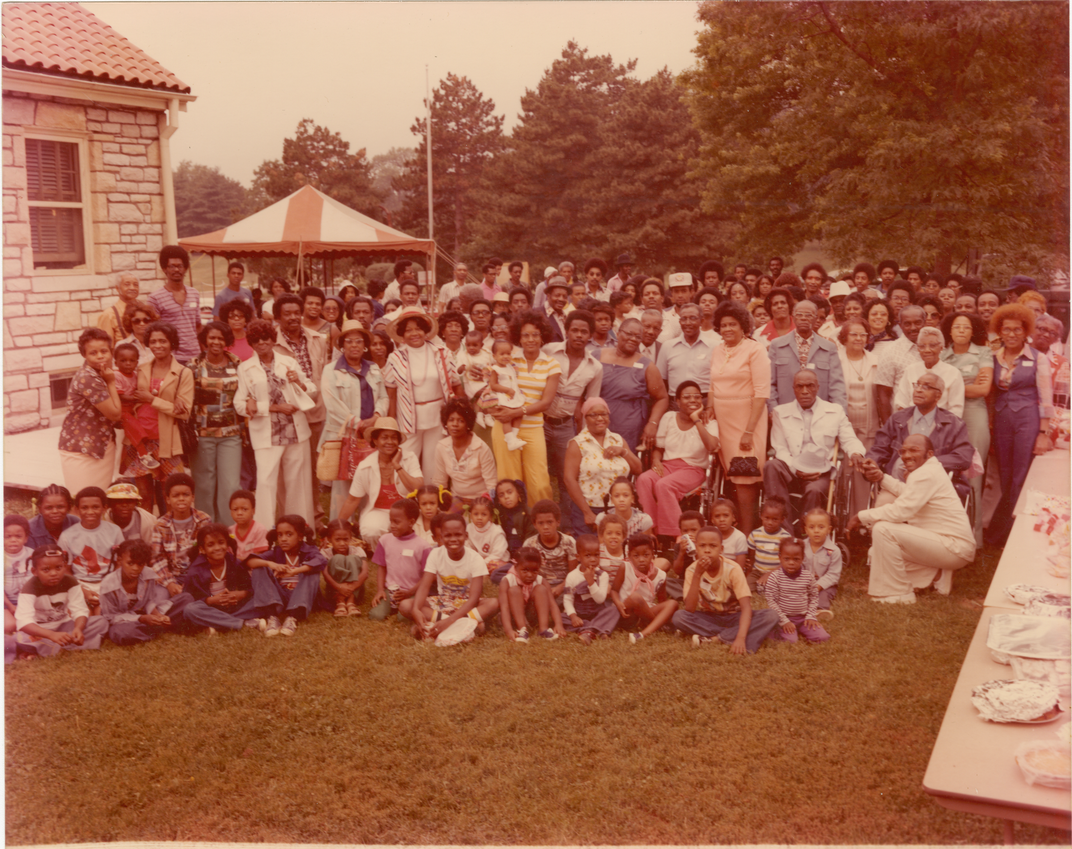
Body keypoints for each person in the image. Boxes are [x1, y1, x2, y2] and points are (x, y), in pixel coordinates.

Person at [850, 435, 975, 602]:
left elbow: (900, 511)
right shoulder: (930, 469)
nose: (906, 455)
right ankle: (937, 575)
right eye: (903, 451)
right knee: (875, 552)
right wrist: (881, 477)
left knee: (883, 529)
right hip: (944, 545)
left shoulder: (925, 473)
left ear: (930, 454)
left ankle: (899, 593)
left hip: (954, 547)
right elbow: (908, 493)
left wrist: (861, 516)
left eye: (914, 450)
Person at [234, 318, 318, 528]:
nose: (262, 343)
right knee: (265, 483)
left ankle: (298, 530)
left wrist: (297, 381)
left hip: (295, 431)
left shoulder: (288, 362)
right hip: (266, 433)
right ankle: (264, 532)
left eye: (266, 338)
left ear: (272, 340)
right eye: (256, 340)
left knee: (296, 482)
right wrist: (271, 408)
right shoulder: (245, 368)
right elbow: (239, 403)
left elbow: (311, 389)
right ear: (251, 344)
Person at [986, 303, 1054, 546]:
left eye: (1017, 329)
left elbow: (1046, 398)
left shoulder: (1039, 358)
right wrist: (992, 425)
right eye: (1007, 329)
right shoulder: (994, 357)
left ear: (1026, 331)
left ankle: (1012, 533)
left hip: (1027, 419)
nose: (1012, 334)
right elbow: (992, 394)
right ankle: (1005, 529)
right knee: (1006, 475)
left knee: (1021, 475)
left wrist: (1043, 433)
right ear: (999, 331)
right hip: (1003, 420)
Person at [765, 370, 865, 534]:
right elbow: (780, 448)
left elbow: (849, 439)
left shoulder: (835, 411)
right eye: (800, 386)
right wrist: (796, 469)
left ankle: (805, 535)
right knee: (771, 465)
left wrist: (855, 453)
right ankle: (785, 533)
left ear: (818, 387)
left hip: (820, 472)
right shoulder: (780, 413)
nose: (805, 391)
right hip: (791, 470)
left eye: (810, 386)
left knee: (814, 490)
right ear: (793, 388)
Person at [487, 311, 562, 505]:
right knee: (509, 481)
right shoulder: (509, 359)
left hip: (533, 428)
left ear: (542, 336)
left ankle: (541, 525)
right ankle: (515, 528)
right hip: (505, 427)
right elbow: (491, 386)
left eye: (535, 334)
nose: (531, 339)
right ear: (518, 337)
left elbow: (546, 402)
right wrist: (495, 409)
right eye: (525, 335)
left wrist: (518, 412)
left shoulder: (552, 364)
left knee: (539, 482)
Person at [708, 301, 770, 533]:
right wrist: (709, 407)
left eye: (732, 324)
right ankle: (733, 534)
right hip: (723, 423)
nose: (727, 329)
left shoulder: (755, 349)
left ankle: (747, 537)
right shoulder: (717, 349)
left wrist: (749, 431)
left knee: (746, 479)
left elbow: (762, 393)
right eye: (723, 325)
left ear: (743, 326)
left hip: (747, 421)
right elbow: (713, 384)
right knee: (732, 478)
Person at [385, 307, 464, 480]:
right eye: (408, 330)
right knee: (405, 463)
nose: (414, 333)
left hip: (437, 417)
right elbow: (391, 395)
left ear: (425, 331)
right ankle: (404, 503)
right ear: (401, 334)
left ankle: (432, 502)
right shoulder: (395, 358)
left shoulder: (442, 353)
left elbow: (457, 385)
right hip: (407, 420)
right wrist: (392, 426)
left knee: (434, 466)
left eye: (418, 328)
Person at [672, 526, 779, 654]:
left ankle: (715, 639)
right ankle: (736, 633)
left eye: (713, 546)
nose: (707, 550)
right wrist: (697, 575)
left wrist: (740, 638)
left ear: (721, 549)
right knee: (679, 617)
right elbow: (689, 608)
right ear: (696, 548)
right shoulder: (691, 570)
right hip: (709, 617)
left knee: (771, 616)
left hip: (735, 615)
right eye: (702, 546)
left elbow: (746, 607)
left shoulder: (733, 569)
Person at [542, 310, 604, 531]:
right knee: (539, 476)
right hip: (538, 422)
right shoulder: (549, 351)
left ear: (590, 336)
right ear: (566, 331)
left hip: (565, 426)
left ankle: (567, 526)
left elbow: (592, 402)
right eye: (574, 330)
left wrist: (587, 436)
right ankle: (537, 523)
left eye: (584, 332)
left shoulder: (595, 367)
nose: (579, 335)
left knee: (567, 478)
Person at [320, 321, 388, 519]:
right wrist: (358, 423)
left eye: (359, 341)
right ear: (342, 345)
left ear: (365, 345)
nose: (354, 345)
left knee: (370, 480)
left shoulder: (374, 368)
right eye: (349, 341)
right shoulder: (331, 370)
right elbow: (332, 404)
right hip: (345, 434)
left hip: (371, 434)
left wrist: (376, 417)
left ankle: (368, 526)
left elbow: (383, 397)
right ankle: (341, 531)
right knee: (344, 486)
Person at [123, 321, 194, 511]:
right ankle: (146, 536)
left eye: (163, 341)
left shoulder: (183, 373)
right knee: (143, 494)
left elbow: (185, 411)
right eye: (153, 341)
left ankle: (167, 534)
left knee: (169, 494)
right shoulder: (141, 369)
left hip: (167, 442)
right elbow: (128, 395)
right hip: (140, 441)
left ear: (172, 343)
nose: (157, 346)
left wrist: (152, 399)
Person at [637, 381, 720, 538]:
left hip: (693, 469)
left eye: (697, 397)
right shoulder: (668, 417)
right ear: (678, 401)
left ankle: (679, 536)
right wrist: (656, 461)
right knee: (644, 479)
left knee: (664, 485)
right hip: (667, 466)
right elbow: (659, 448)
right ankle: (650, 530)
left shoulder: (709, 421)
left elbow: (711, 446)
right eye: (687, 397)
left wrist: (697, 420)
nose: (693, 400)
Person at [273, 294, 329, 520]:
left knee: (314, 467)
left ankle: (313, 510)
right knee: (285, 468)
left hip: (315, 411)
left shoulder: (318, 339)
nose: (294, 317)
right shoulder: (273, 342)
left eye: (297, 312)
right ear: (278, 317)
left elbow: (322, 376)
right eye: (287, 313)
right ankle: (285, 515)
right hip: (286, 415)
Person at [404, 513, 499, 644]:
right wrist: (415, 610)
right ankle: (468, 626)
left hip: (466, 604)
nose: (453, 539)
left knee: (494, 603)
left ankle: (438, 626)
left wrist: (448, 621)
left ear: (466, 536)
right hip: (443, 602)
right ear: (441, 537)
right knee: (406, 605)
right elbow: (424, 586)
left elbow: (474, 598)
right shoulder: (435, 554)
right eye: (448, 535)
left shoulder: (475, 558)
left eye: (458, 535)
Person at [865, 372, 975, 485]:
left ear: (938, 395)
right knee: (884, 502)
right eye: (917, 385)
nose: (918, 390)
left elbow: (963, 458)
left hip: (935, 487)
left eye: (926, 387)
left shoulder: (954, 424)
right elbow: (879, 449)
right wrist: (872, 464)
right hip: (897, 484)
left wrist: (926, 464)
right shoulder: (897, 419)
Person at [337, 417, 422, 549]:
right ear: (375, 440)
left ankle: (396, 545)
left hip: (408, 513)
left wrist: (397, 466)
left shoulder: (409, 458)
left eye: (394, 437)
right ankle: (386, 550)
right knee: (371, 531)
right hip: (380, 511)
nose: (390, 442)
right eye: (384, 437)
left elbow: (417, 488)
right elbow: (352, 500)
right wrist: (337, 527)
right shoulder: (365, 466)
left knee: (422, 535)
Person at [188, 321, 243, 523]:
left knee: (230, 485)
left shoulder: (237, 364)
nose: (216, 342)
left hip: (231, 434)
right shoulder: (193, 366)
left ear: (227, 340)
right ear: (205, 340)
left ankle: (228, 530)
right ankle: (205, 528)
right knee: (204, 484)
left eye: (220, 338)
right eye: (212, 337)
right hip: (202, 434)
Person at [563, 398, 643, 533]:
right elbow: (569, 479)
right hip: (590, 508)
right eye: (593, 415)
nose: (600, 418)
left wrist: (623, 452)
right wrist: (587, 512)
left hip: (619, 508)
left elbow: (638, 469)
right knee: (591, 550)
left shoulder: (617, 439)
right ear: (585, 418)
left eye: (604, 414)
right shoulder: (577, 444)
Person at [58, 328, 122, 495]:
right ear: (84, 355)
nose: (100, 356)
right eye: (93, 353)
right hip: (81, 450)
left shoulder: (101, 373)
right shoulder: (88, 377)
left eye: (104, 351)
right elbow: (115, 414)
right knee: (82, 501)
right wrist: (111, 383)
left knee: (98, 502)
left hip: (100, 446)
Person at [14, 546, 109, 658]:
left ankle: (49, 649)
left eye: (59, 567)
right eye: (46, 569)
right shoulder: (30, 588)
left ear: (65, 567)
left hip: (64, 626)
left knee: (100, 622)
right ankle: (66, 646)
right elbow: (24, 622)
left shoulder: (71, 582)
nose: (54, 573)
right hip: (40, 631)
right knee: (20, 637)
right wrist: (51, 635)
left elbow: (80, 610)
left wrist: (78, 628)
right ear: (35, 571)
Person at [246, 514, 326, 637]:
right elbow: (250, 561)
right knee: (259, 567)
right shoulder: (276, 552)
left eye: (289, 534)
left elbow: (321, 561)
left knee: (312, 570)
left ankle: (292, 618)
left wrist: (296, 571)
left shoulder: (309, 550)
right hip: (281, 596)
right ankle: (272, 617)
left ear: (300, 537)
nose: (283, 539)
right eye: (280, 534)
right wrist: (271, 564)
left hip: (302, 596)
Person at [99, 538, 191, 645]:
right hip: (124, 621)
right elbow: (111, 617)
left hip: (146, 615)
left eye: (140, 564)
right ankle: (159, 629)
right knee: (120, 632)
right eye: (130, 563)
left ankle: (156, 627)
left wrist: (158, 616)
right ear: (120, 560)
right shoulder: (108, 584)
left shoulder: (149, 575)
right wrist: (141, 619)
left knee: (186, 598)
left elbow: (149, 601)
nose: (135, 568)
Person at [599, 318, 669, 454]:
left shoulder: (647, 365)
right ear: (617, 333)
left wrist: (652, 424)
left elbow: (662, 398)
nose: (633, 339)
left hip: (628, 426)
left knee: (623, 464)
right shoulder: (597, 356)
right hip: (597, 422)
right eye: (629, 334)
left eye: (638, 337)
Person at [768, 299, 847, 413]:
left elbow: (837, 385)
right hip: (785, 413)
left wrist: (840, 413)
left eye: (808, 315)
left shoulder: (829, 347)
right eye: (799, 314)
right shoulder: (777, 345)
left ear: (816, 319)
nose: (803, 318)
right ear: (793, 317)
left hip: (820, 414)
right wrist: (773, 410)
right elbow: (770, 383)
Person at [181, 523, 261, 633]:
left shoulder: (233, 562)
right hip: (210, 609)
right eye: (211, 545)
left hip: (232, 607)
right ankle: (242, 623)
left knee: (260, 599)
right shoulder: (195, 570)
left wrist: (241, 594)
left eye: (221, 542)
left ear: (227, 543)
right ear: (202, 549)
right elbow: (189, 598)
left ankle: (217, 624)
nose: (217, 548)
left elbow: (249, 588)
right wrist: (211, 600)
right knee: (190, 610)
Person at [58, 486, 125, 614]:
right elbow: (65, 570)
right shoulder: (67, 536)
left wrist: (108, 588)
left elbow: (119, 564)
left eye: (95, 507)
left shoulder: (114, 531)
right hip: (79, 584)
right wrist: (83, 591)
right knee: (82, 616)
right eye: (84, 508)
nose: (90, 512)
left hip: (107, 583)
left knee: (102, 614)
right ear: (77, 510)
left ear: (104, 508)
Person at [837, 319, 879, 517]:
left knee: (864, 470)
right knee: (844, 470)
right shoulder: (835, 360)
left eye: (863, 334)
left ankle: (861, 518)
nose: (859, 338)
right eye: (854, 334)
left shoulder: (875, 360)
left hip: (870, 423)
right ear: (844, 338)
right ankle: (841, 518)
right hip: (843, 424)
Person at [368, 499, 432, 621]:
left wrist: (410, 592)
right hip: (391, 591)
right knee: (375, 616)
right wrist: (380, 590)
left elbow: (427, 576)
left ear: (411, 522)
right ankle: (392, 606)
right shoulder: (384, 540)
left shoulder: (423, 546)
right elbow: (381, 567)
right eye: (391, 521)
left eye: (396, 522)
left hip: (414, 592)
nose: (392, 525)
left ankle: (402, 608)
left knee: (403, 617)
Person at [150, 472, 211, 597]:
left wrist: (192, 580)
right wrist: (170, 583)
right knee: (159, 599)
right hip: (172, 576)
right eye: (176, 495)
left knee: (195, 598)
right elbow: (157, 558)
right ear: (168, 499)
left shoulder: (203, 520)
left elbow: (208, 552)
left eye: (186, 495)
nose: (181, 499)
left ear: (193, 497)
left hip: (198, 574)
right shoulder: (161, 525)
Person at [432, 397, 497, 510]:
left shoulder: (481, 448)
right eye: (451, 420)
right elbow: (440, 483)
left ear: (468, 424)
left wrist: (488, 505)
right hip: (456, 499)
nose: (455, 424)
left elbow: (492, 484)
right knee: (448, 523)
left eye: (460, 420)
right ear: (445, 423)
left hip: (481, 500)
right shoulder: (441, 447)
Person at [763, 538, 830, 644]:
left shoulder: (808, 577)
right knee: (791, 641)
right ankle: (773, 631)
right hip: (783, 618)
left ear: (802, 558)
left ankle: (802, 629)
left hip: (803, 618)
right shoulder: (775, 577)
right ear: (780, 557)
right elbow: (771, 601)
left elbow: (813, 597)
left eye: (796, 559)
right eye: (786, 559)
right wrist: (784, 621)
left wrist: (810, 616)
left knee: (823, 637)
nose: (791, 563)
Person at [893, 326, 965, 418]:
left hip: (941, 426)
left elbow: (956, 409)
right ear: (918, 349)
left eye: (932, 345)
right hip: (911, 423)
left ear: (941, 347)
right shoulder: (910, 370)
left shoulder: (953, 373)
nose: (927, 350)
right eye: (922, 346)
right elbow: (901, 403)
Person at [500, 547, 567, 642]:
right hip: (514, 618)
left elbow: (552, 605)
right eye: (525, 570)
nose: (530, 575)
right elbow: (504, 607)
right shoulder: (507, 580)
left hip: (532, 617)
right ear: (516, 567)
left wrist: (559, 625)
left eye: (534, 571)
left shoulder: (540, 580)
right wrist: (508, 630)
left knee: (541, 589)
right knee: (514, 590)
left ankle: (543, 629)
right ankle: (522, 630)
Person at [619, 534, 677, 644]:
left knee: (673, 603)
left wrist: (666, 613)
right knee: (636, 598)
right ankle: (660, 625)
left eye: (646, 555)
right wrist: (618, 603)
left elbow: (662, 601)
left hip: (647, 612)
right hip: (629, 615)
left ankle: (642, 634)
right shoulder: (625, 568)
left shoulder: (661, 575)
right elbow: (614, 590)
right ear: (629, 556)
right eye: (636, 556)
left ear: (653, 555)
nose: (641, 559)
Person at [562, 534, 620, 644]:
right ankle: (599, 629)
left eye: (596, 555)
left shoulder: (603, 575)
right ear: (578, 557)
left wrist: (591, 582)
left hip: (597, 612)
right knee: (561, 618)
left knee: (615, 610)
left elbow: (600, 600)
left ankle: (587, 630)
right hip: (579, 613)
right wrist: (573, 617)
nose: (593, 559)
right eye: (588, 556)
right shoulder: (571, 576)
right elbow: (567, 599)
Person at [148, 246, 200, 365]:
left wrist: (203, 352)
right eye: (172, 266)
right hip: (172, 358)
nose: (176, 270)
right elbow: (153, 332)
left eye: (180, 266)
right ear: (164, 269)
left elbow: (198, 326)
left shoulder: (194, 293)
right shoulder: (155, 298)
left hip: (194, 356)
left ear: (185, 268)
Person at [656, 303, 716, 406]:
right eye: (684, 319)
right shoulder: (668, 346)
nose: (688, 323)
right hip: (676, 403)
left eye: (693, 318)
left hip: (705, 402)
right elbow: (661, 380)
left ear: (701, 321)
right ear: (679, 322)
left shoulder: (714, 346)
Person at [875, 305, 926, 423]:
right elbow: (883, 396)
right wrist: (889, 429)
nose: (913, 328)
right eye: (907, 324)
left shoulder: (938, 349)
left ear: (924, 322)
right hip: (902, 423)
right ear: (900, 325)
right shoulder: (890, 351)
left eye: (918, 323)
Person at [523, 499, 577, 600]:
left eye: (550, 522)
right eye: (541, 523)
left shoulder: (569, 542)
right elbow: (527, 572)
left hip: (565, 584)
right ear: (535, 525)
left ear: (558, 522)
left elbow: (573, 573)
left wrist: (560, 588)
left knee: (577, 592)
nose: (546, 527)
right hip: (540, 585)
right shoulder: (529, 544)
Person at [484, 339, 527, 451]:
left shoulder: (510, 367)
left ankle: (512, 438)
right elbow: (493, 385)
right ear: (494, 356)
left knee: (519, 415)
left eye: (508, 353)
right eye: (502, 354)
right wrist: (507, 390)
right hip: (504, 396)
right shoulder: (495, 369)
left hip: (513, 396)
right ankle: (510, 439)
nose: (506, 356)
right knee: (506, 418)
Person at [321, 519, 368, 618]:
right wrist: (339, 587)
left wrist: (351, 588)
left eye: (345, 539)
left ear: (351, 538)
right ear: (329, 539)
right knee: (337, 558)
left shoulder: (357, 551)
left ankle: (351, 601)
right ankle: (340, 602)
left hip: (356, 590)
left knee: (352, 558)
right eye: (337, 540)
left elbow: (364, 573)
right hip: (334, 590)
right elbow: (326, 575)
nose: (342, 543)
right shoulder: (325, 553)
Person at [801, 508, 841, 621]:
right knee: (797, 593)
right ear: (806, 529)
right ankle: (799, 609)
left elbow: (833, 575)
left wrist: (817, 586)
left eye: (821, 527)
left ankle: (820, 610)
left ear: (829, 529)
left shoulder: (834, 550)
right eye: (811, 527)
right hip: (805, 582)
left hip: (825, 585)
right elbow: (798, 567)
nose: (816, 531)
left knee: (823, 595)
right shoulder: (801, 547)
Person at [746, 497, 792, 592]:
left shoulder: (785, 537)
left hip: (777, 572)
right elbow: (751, 556)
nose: (770, 522)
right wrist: (748, 573)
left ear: (782, 519)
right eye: (767, 518)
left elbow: (787, 561)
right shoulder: (755, 534)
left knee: (780, 590)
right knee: (747, 588)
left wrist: (770, 574)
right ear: (761, 516)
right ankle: (760, 586)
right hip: (757, 572)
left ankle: (767, 587)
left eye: (775, 519)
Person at [4, 515, 34, 636]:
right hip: (6, 602)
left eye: (18, 536)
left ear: (26, 538)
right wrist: (10, 606)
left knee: (33, 622)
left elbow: (37, 581)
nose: (13, 540)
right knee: (9, 625)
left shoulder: (32, 554)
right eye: (8, 536)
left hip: (28, 601)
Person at [466, 496, 509, 575]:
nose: (479, 518)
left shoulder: (496, 532)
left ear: (490, 516)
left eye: (484, 514)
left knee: (494, 566)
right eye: (476, 514)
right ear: (470, 515)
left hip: (496, 559)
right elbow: (468, 547)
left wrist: (482, 563)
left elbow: (497, 554)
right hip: (479, 558)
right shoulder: (469, 528)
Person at [27, 484, 77, 549]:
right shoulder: (30, 529)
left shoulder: (75, 523)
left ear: (68, 507)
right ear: (40, 509)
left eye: (60, 507)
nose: (55, 511)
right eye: (49, 508)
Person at [97, 271, 141, 345]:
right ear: (118, 288)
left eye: (135, 285)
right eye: (127, 284)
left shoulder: (144, 309)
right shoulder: (109, 315)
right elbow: (106, 346)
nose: (132, 288)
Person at [228, 489, 269, 562]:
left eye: (244, 509)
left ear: (253, 511)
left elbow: (257, 558)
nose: (239, 513)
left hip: (253, 569)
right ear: (230, 512)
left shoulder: (259, 530)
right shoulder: (229, 531)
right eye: (235, 509)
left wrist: (235, 559)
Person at [118, 299, 160, 363]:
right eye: (136, 321)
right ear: (129, 323)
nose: (142, 324)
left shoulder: (160, 344)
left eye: (146, 320)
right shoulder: (121, 345)